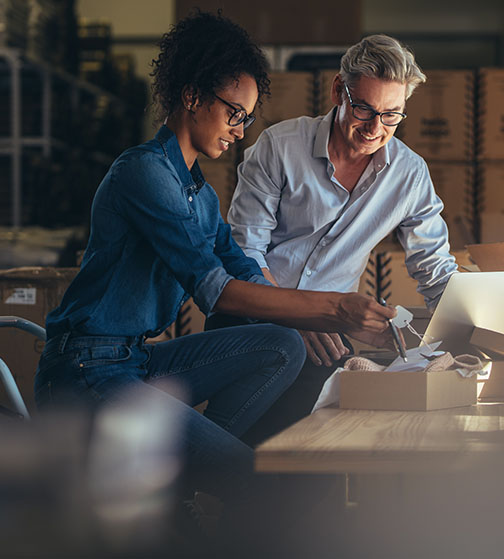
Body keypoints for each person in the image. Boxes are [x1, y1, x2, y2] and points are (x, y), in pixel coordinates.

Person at [33, 11, 394, 531]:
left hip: (134, 362)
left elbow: (241, 265)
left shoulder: (198, 193)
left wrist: (311, 318)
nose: (239, 132)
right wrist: (335, 308)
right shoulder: (144, 174)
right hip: (84, 372)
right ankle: (192, 484)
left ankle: (180, 480)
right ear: (191, 95)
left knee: (283, 345)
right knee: (246, 476)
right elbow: (217, 291)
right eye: (233, 113)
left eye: (246, 119)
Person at [219, 34, 459, 445]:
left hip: (327, 337)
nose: (374, 128)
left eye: (391, 116)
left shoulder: (409, 174)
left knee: (329, 452)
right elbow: (244, 253)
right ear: (338, 91)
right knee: (249, 455)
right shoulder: (279, 147)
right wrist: (299, 313)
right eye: (364, 108)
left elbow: (435, 270)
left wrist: (471, 331)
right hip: (252, 322)